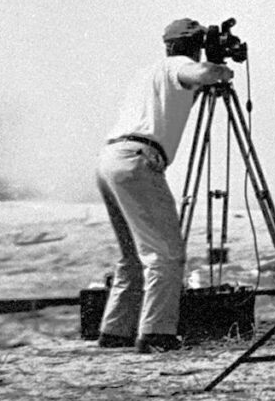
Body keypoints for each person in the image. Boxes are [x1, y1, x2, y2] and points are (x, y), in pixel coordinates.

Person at [93, 18, 231, 353]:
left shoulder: (149, 72)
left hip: (111, 158)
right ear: (191, 45)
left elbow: (182, 96)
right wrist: (219, 69)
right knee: (166, 254)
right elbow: (202, 76)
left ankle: (116, 332)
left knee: (131, 257)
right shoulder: (178, 65)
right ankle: (156, 335)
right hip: (137, 162)